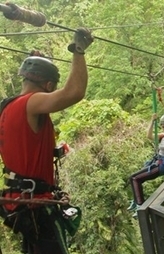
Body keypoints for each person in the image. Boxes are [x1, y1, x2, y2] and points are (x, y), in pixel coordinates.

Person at [0, 28, 94, 254]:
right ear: (49, 86)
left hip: (18, 200)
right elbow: (75, 92)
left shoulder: (5, 108)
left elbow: (21, 148)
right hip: (35, 203)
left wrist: (51, 153)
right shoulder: (31, 104)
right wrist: (78, 50)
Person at [127, 113, 164, 215]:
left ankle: (140, 204)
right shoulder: (163, 136)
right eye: (163, 127)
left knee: (135, 178)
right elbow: (149, 136)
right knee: (133, 177)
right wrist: (152, 120)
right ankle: (137, 201)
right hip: (158, 162)